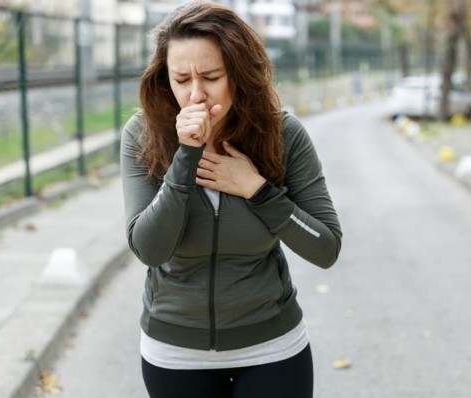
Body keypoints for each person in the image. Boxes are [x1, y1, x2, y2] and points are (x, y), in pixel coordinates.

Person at [120, 1, 342, 397]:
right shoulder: (144, 135)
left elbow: (326, 248)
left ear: (238, 75)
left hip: (273, 349)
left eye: (210, 76)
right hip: (175, 354)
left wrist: (258, 190)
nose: (195, 94)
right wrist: (186, 156)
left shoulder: (284, 134)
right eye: (180, 78)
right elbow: (150, 248)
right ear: (163, 78)